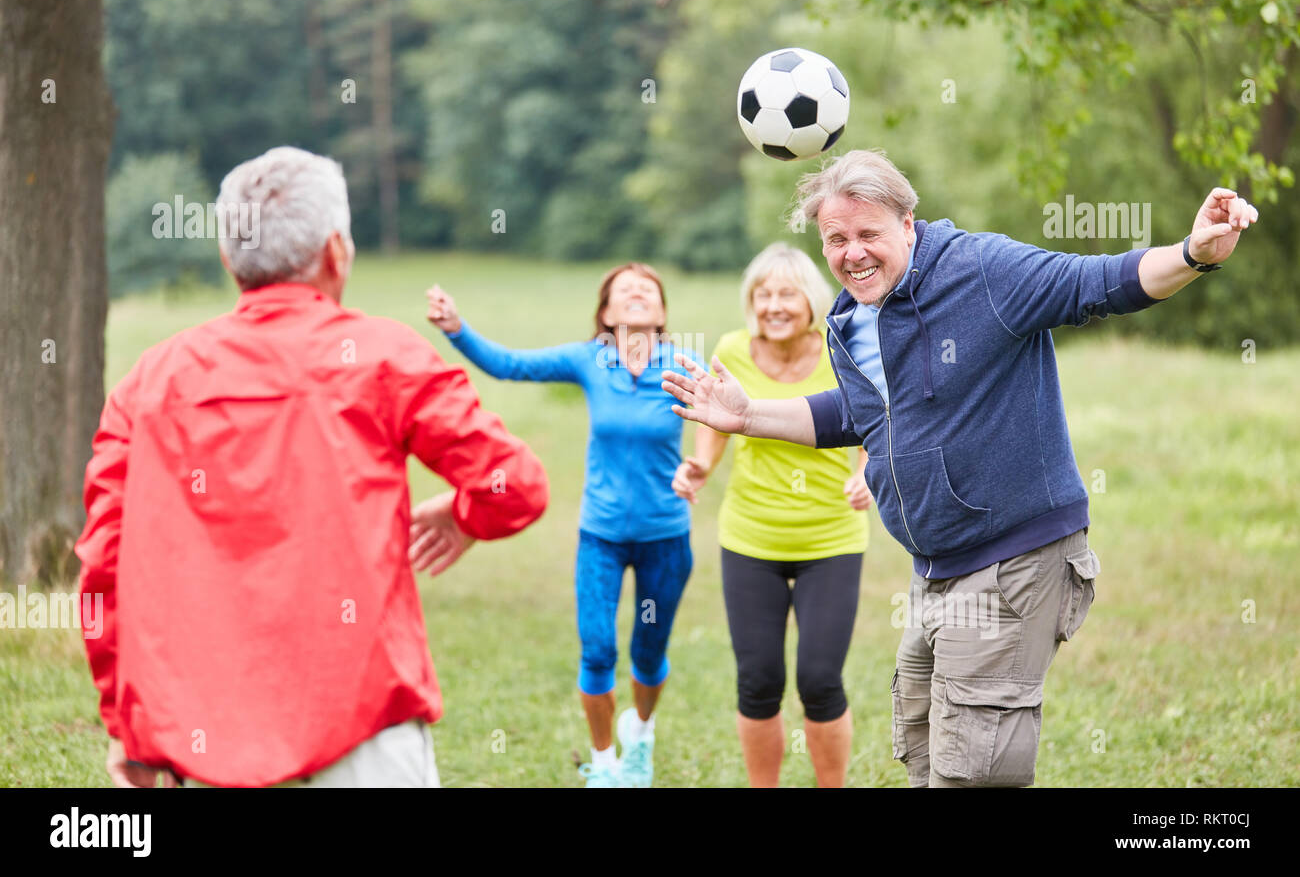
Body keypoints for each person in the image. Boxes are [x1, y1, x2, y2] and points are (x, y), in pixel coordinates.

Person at [663, 148, 1258, 788]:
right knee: (926, 752)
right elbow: (863, 414)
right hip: (937, 569)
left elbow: (1098, 281)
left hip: (1014, 556)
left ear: (908, 223)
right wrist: (749, 415)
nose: (851, 253)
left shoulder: (981, 270)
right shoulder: (854, 315)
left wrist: (1193, 253)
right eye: (836, 239)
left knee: (973, 769)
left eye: (868, 234)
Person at [75, 146, 548, 788]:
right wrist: (466, 515)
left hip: (205, 737)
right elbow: (515, 485)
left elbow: (104, 569)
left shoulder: (148, 382)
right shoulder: (386, 355)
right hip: (364, 728)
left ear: (228, 259)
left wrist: (126, 724)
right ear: (336, 252)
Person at [426, 264, 700, 787]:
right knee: (597, 649)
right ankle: (603, 765)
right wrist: (457, 328)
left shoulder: (684, 363)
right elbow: (509, 365)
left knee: (649, 652)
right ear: (606, 314)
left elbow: (720, 419)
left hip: (666, 536)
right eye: (625, 289)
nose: (638, 293)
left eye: (649, 289)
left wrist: (699, 464)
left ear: (662, 313)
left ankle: (640, 734)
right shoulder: (589, 360)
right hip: (601, 536)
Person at [671, 243, 872, 787]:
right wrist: (700, 465)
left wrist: (867, 474)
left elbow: (876, 418)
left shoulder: (843, 348)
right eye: (762, 294)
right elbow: (715, 422)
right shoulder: (732, 351)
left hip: (830, 540)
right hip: (750, 539)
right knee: (757, 680)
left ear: (810, 299)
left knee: (819, 678)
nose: (773, 305)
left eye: (786, 293)